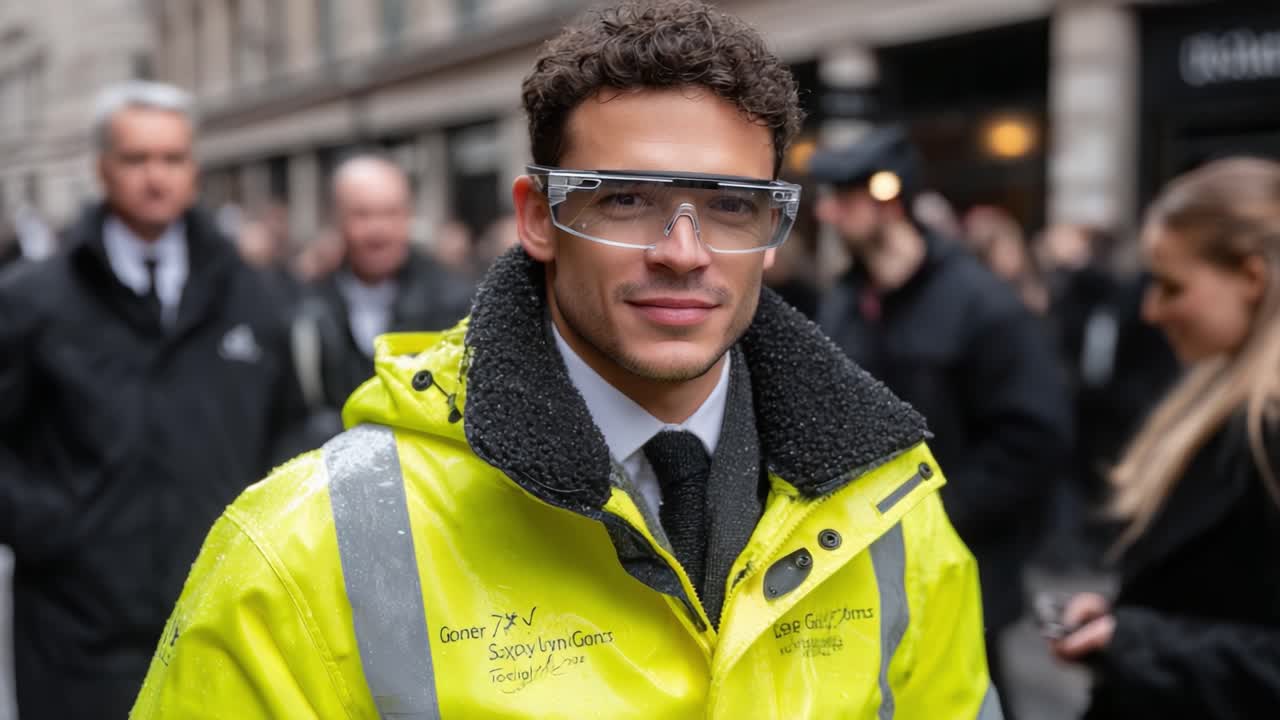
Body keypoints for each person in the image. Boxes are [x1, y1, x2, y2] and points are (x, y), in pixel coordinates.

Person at [132, 3, 1001, 717]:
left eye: (732, 206)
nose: (683, 251)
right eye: (625, 200)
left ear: (773, 229)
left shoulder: (890, 509)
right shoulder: (303, 544)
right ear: (537, 218)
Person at [0, 81, 307, 719]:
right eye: (136, 159)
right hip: (76, 636)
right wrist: (50, 528)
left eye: (172, 158)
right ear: (102, 168)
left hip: (220, 623)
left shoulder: (252, 295)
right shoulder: (33, 301)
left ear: (194, 169)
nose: (155, 177)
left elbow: (289, 430)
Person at [810, 125, 1071, 710]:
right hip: (862, 562)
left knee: (968, 695)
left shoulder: (983, 303)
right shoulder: (846, 299)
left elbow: (1034, 438)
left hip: (965, 562)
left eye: (843, 198)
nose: (827, 213)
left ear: (887, 199)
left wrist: (937, 514)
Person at [1048, 157, 1280, 719]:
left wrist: (1135, 641)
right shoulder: (1214, 398)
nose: (1152, 310)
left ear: (1252, 279)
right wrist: (1120, 620)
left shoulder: (1262, 430)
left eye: (1172, 287)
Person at [290, 155, 472, 442]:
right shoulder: (305, 305)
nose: (378, 230)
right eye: (362, 214)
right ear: (336, 218)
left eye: (391, 213)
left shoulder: (455, 301)